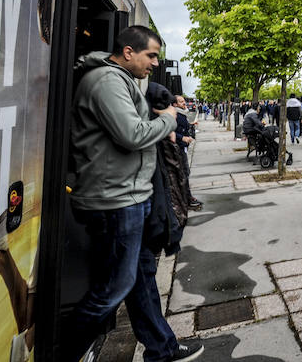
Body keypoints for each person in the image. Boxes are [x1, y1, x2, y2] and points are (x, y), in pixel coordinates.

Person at [61, 26, 203, 362]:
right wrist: (167, 120)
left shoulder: (118, 80)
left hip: (127, 197)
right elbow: (133, 135)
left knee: (140, 279)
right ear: (128, 52)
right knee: (112, 289)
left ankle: (162, 347)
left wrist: (154, 118)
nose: (154, 63)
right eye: (151, 55)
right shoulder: (108, 81)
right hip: (116, 201)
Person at [174, 95, 202, 211]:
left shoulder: (182, 113)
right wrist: (182, 138)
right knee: (183, 173)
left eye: (184, 101)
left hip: (182, 148)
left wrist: (191, 125)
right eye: (181, 102)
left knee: (185, 172)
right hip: (178, 148)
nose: (184, 103)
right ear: (174, 104)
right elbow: (170, 132)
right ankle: (186, 198)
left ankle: (187, 197)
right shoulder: (175, 115)